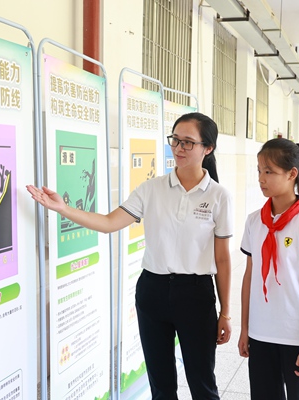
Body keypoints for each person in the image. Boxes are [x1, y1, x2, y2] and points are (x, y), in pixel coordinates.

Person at [27, 112, 234, 399]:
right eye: (175, 140)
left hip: (196, 295)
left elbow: (222, 259)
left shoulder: (219, 196)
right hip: (153, 291)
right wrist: (64, 209)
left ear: (207, 148)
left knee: (202, 384)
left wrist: (226, 312)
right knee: (161, 386)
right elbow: (110, 222)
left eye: (188, 142)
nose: (178, 148)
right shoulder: (151, 188)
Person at [238, 138, 299, 400]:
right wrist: (245, 329)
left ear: (292, 174)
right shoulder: (254, 221)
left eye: (269, 171)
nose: (261, 178)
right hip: (260, 335)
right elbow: (250, 278)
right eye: (259, 170)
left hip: (297, 338)